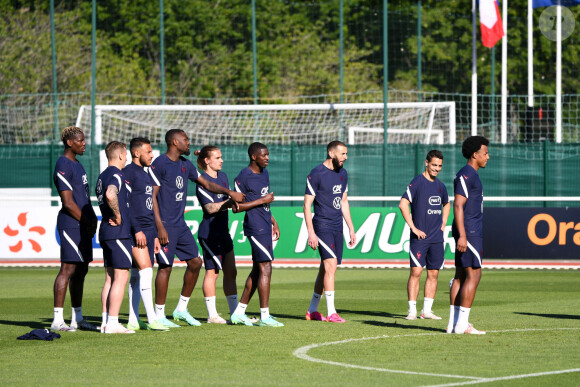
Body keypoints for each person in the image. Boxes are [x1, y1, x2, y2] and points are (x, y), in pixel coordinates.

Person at [150, 129, 245, 328]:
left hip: (181, 225)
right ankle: (158, 315)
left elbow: (207, 184)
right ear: (174, 142)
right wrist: (159, 227)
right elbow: (152, 196)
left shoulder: (186, 165)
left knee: (195, 262)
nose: (189, 142)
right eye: (185, 139)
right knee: (165, 268)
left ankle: (181, 309)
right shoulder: (160, 163)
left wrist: (228, 192)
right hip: (165, 225)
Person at [51, 126, 99, 332]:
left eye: (84, 139)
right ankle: (57, 320)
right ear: (69, 143)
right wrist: (86, 221)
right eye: (80, 140)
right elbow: (68, 203)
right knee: (68, 269)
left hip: (83, 225)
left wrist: (91, 219)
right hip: (71, 225)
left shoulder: (78, 164)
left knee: (81, 270)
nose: (84, 143)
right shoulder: (63, 164)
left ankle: (77, 319)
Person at [230, 142, 282, 327]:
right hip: (254, 227)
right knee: (266, 267)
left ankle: (238, 313)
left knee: (257, 270)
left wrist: (273, 221)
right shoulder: (244, 177)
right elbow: (236, 208)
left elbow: (264, 203)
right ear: (254, 156)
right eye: (264, 155)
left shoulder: (264, 173)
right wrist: (263, 200)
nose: (267, 158)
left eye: (268, 154)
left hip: (265, 225)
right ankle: (265, 316)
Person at [303, 140, 356, 323]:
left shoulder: (343, 173)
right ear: (332, 153)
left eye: (346, 154)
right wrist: (311, 232)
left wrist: (351, 227)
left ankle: (312, 310)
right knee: (331, 265)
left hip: (337, 226)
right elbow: (307, 204)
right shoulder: (316, 174)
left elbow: (344, 202)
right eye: (343, 154)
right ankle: (331, 312)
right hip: (322, 225)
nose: (346, 157)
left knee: (325, 269)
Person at [122, 138, 168, 331]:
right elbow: (125, 204)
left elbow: (148, 205)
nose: (152, 155)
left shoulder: (146, 173)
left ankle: (133, 319)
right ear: (136, 153)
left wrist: (155, 234)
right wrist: (137, 229)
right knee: (147, 271)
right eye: (148, 152)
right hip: (137, 230)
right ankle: (152, 318)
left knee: (136, 274)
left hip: (149, 230)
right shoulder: (128, 173)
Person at [399, 150, 450, 321]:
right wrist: (413, 227)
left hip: (437, 238)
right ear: (427, 163)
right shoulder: (417, 182)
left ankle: (426, 310)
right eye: (434, 165)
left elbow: (447, 204)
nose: (437, 169)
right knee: (416, 271)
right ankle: (412, 310)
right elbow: (403, 204)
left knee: (433, 274)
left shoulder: (441, 186)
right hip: (420, 238)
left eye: (440, 166)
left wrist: (443, 222)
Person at [447, 136, 490, 335]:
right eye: (485, 153)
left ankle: (453, 324)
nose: (487, 157)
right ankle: (462, 325)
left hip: (468, 230)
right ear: (475, 154)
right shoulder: (467, 174)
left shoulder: (471, 174)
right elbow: (457, 204)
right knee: (474, 274)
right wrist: (463, 235)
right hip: (470, 231)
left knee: (460, 275)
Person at [194, 146, 239, 324]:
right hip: (209, 233)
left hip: (223, 231)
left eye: (221, 157)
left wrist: (234, 203)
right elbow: (210, 208)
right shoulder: (202, 180)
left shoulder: (223, 177)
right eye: (217, 157)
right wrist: (231, 201)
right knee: (212, 272)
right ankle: (212, 315)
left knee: (231, 271)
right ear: (207, 160)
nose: (221, 160)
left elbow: (226, 202)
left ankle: (235, 313)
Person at [96, 141, 134, 334]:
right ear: (120, 155)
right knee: (121, 276)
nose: (126, 158)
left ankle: (105, 321)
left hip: (105, 231)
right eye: (125, 155)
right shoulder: (117, 174)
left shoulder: (102, 176)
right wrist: (118, 215)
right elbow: (111, 195)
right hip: (118, 232)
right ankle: (112, 323)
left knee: (110, 278)